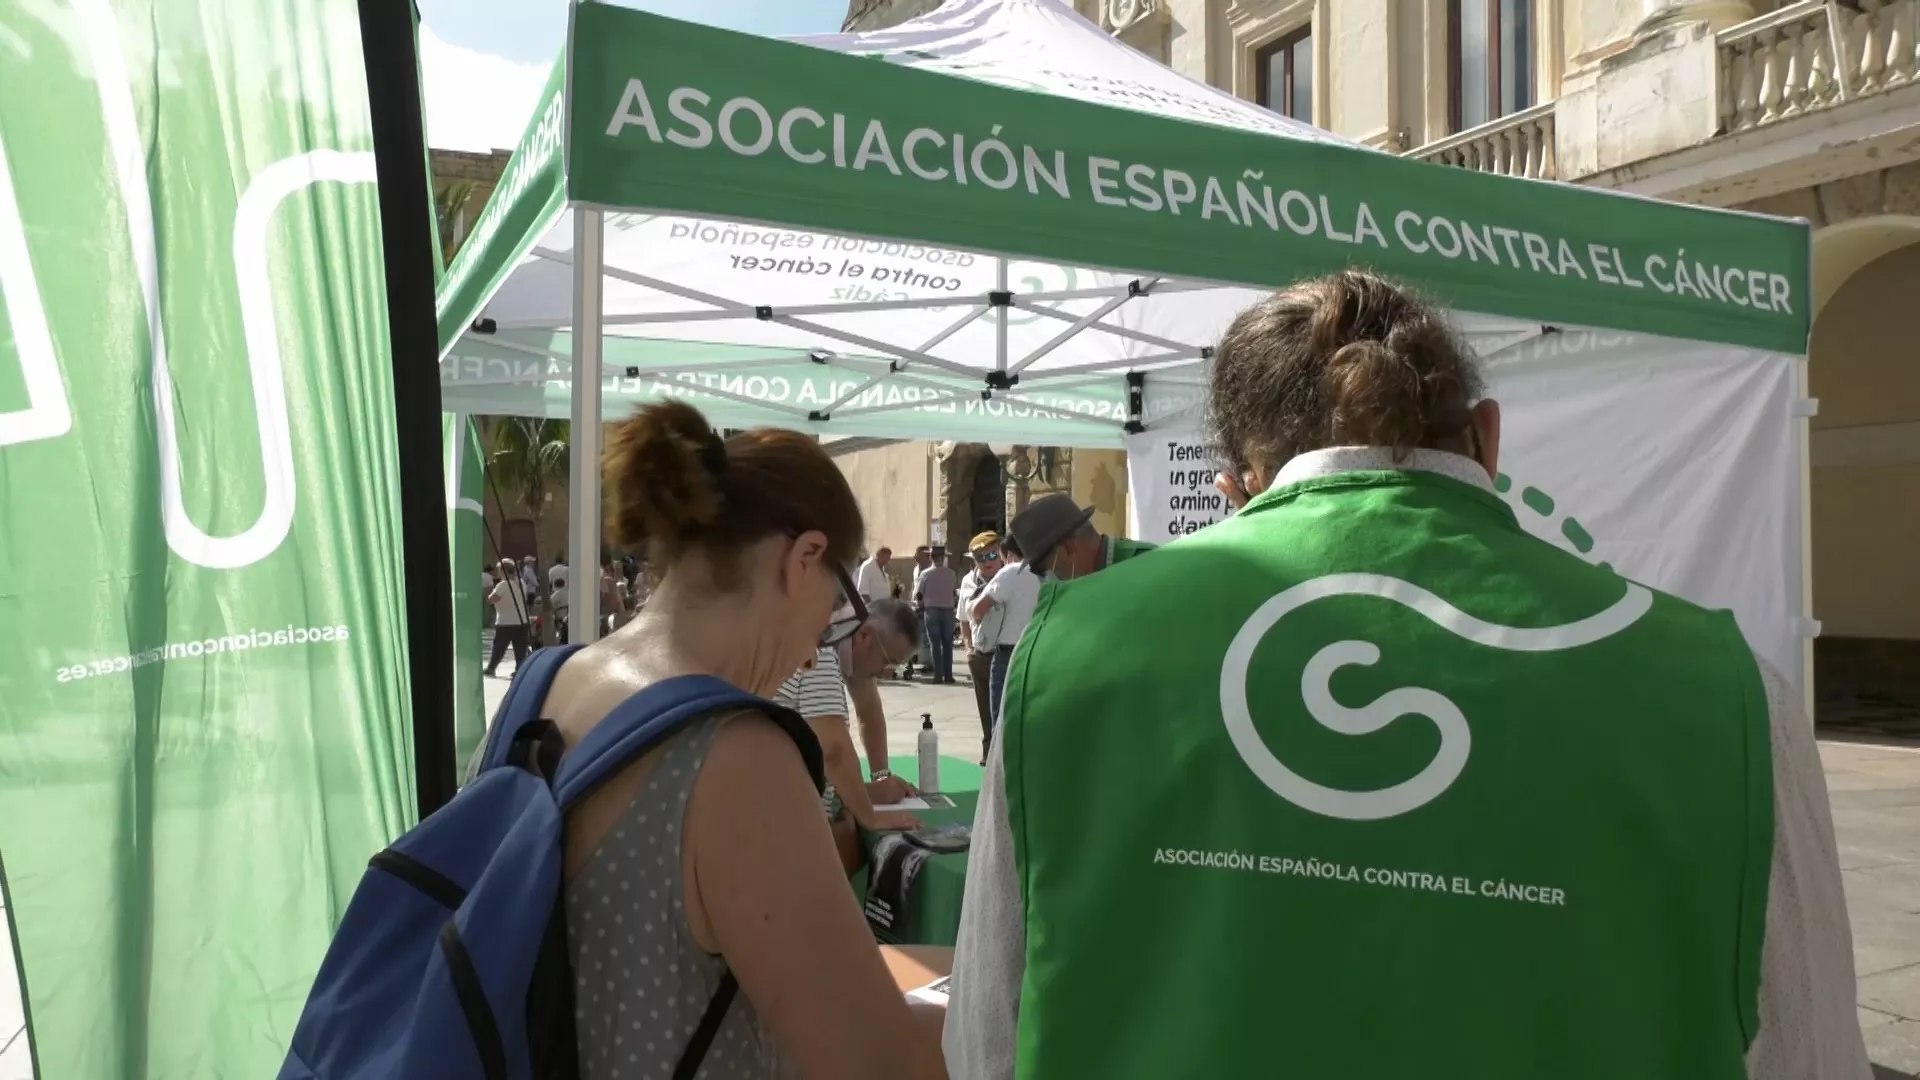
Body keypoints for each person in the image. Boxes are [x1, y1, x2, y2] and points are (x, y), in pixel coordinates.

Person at [944, 271, 1869, 1079]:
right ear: (1489, 439)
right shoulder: (1725, 690)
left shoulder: (1069, 660)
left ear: (1234, 484)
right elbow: (1809, 1050)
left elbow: (987, 1040)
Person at [535, 401, 945, 1079]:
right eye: (833, 608)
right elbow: (880, 1062)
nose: (813, 653)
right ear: (804, 558)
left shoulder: (549, 681)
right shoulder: (735, 757)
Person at [775, 597, 927, 873]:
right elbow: (832, 749)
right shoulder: (822, 648)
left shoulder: (847, 639)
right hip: (784, 818)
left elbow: (869, 710)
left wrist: (881, 778)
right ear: (865, 635)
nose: (886, 673)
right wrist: (869, 815)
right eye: (887, 661)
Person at [966, 534, 1040, 737]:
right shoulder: (1047, 571)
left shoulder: (1011, 571)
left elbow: (978, 610)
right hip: (1038, 648)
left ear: (1007, 554)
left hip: (1009, 653)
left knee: (1002, 723)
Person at [1005, 494, 1155, 582]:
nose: (1047, 580)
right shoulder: (1087, 582)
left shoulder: (1144, 566)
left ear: (1067, 550)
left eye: (1042, 570)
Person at [956, 533, 1005, 762]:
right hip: (980, 653)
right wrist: (968, 648)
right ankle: (988, 751)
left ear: (1001, 553)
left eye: (992, 555)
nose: (987, 562)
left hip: (1004, 652)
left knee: (1003, 708)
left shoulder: (1010, 578)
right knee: (984, 707)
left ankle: (1002, 754)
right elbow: (963, 619)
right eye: (980, 558)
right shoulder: (968, 581)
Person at [915, 547, 960, 685]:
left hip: (931, 610)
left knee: (935, 643)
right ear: (943, 558)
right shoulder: (951, 573)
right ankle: (949, 675)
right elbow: (954, 592)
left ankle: (938, 676)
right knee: (947, 643)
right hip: (948, 610)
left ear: (931, 558)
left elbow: (919, 594)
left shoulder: (925, 574)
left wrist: (920, 604)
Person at [484, 558, 531, 677]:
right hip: (522, 620)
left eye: (499, 570)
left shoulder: (503, 585)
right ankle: (519, 669)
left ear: (503, 570)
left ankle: (491, 668)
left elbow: (491, 600)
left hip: (506, 621)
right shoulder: (521, 583)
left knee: (499, 647)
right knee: (520, 649)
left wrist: (488, 590)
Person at [548, 563, 571, 645]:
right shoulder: (569, 593)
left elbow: (549, 603)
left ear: (555, 585)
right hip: (568, 615)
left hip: (560, 616)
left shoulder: (557, 594)